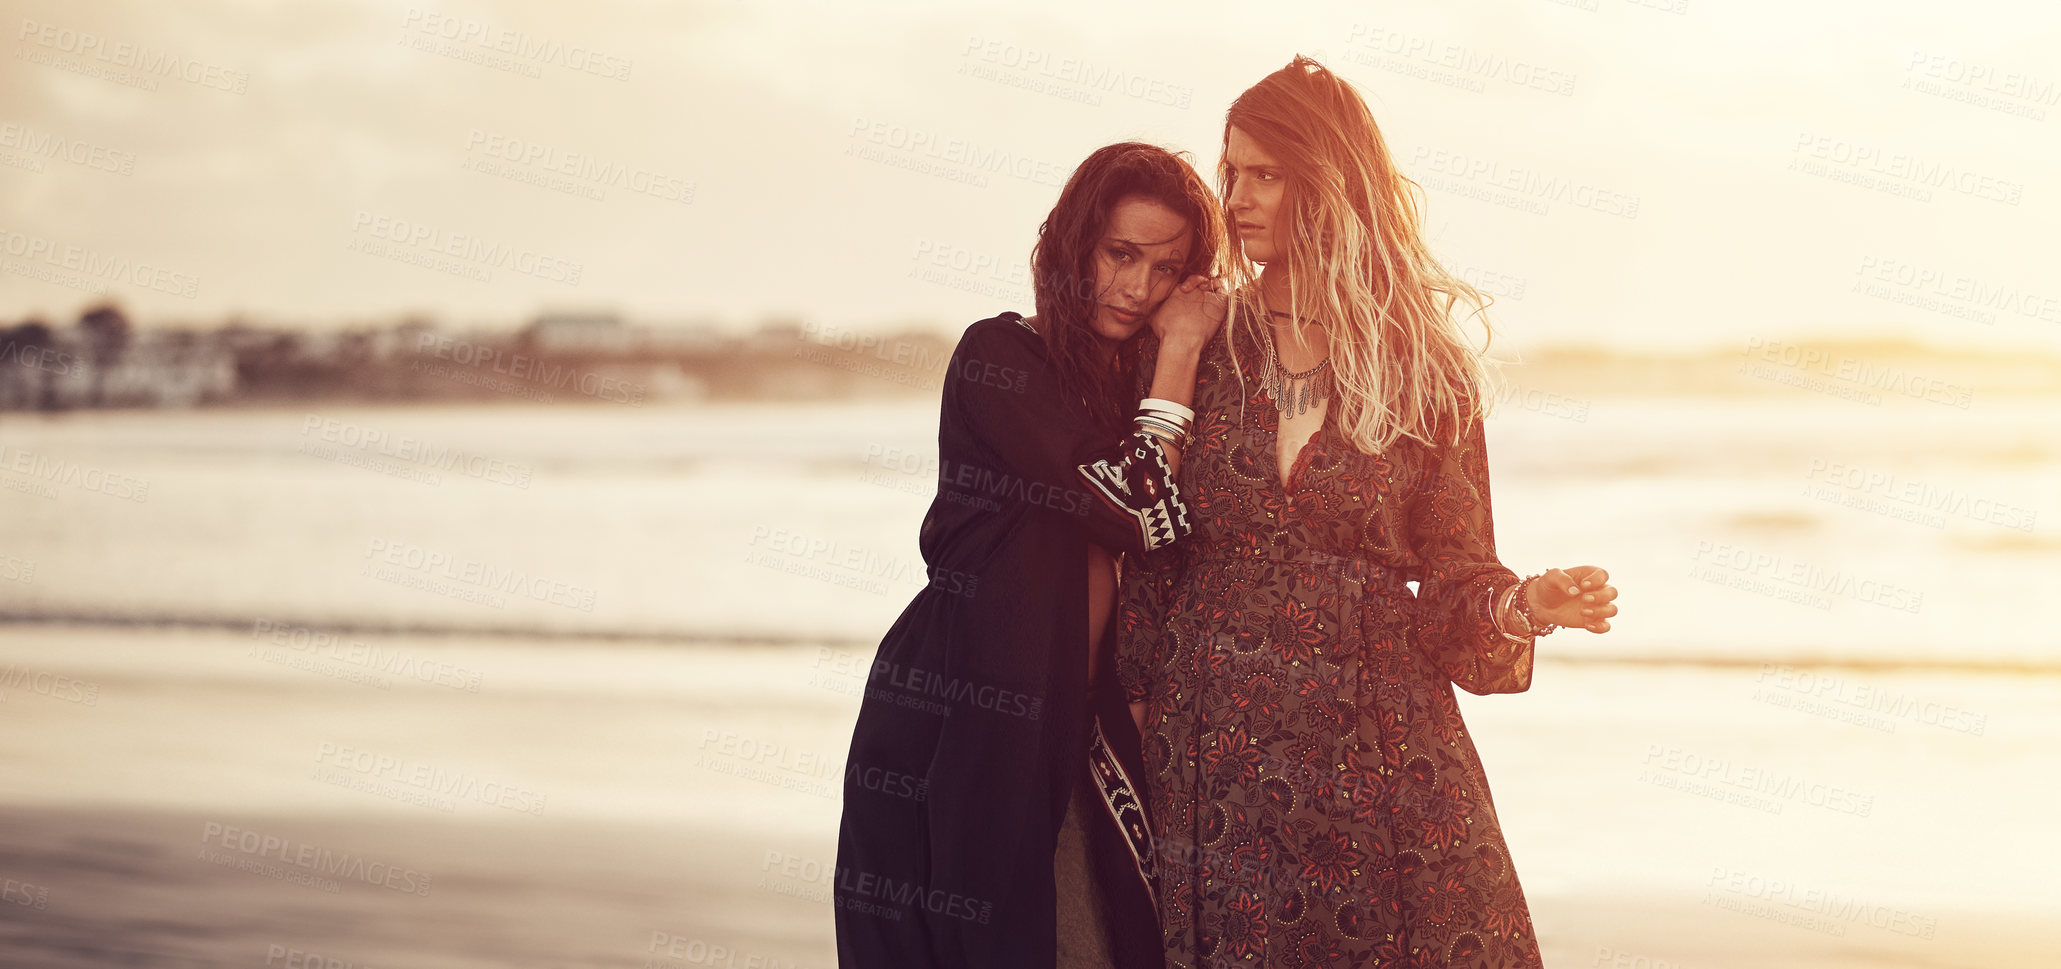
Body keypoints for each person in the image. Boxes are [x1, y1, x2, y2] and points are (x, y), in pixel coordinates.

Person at [1115, 57, 1621, 968]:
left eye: (1266, 173)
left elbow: (1457, 573)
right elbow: (1150, 546)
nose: (1236, 197)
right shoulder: (1193, 336)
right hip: (1214, 737)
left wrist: (1523, 605)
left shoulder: (1420, 368)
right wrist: (1138, 703)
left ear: (1328, 179)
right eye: (1231, 170)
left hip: (1377, 740)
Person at [834, 141, 1230, 969]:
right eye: (1121, 254)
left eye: (1167, 270)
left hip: (1087, 727)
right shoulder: (999, 359)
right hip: (965, 708)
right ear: (1072, 240)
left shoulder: (1132, 388)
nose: (1138, 288)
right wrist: (1182, 351)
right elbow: (1139, 508)